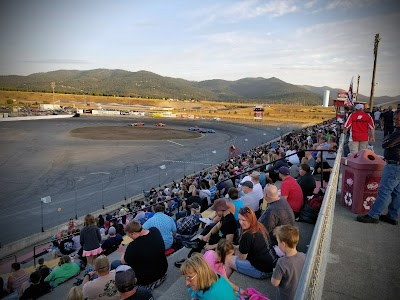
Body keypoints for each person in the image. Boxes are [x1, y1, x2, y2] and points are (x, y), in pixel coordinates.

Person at [356, 109, 400, 225]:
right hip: (396, 166)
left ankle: (373, 215)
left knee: (384, 191)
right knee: (397, 193)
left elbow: (385, 143)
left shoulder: (398, 133)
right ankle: (392, 216)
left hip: (394, 166)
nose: (395, 121)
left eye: (398, 119)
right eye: (394, 119)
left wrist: (388, 139)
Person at [112, 220, 168, 290]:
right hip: (162, 270)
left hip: (146, 279)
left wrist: (123, 252)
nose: (130, 238)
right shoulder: (155, 230)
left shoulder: (133, 246)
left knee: (115, 264)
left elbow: (123, 261)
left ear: (134, 233)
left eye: (129, 236)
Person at [226, 207, 278, 279]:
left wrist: (234, 252)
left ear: (250, 219)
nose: (241, 222)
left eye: (243, 220)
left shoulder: (247, 235)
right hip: (272, 265)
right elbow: (249, 246)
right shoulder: (259, 226)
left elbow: (242, 258)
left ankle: (225, 283)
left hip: (262, 271)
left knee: (227, 260)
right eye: (239, 219)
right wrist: (235, 247)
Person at [271, 225, 306, 300]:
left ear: (283, 244)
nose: (277, 244)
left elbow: (275, 283)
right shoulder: (303, 256)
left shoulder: (281, 262)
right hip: (299, 295)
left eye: (278, 241)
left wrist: (275, 272)